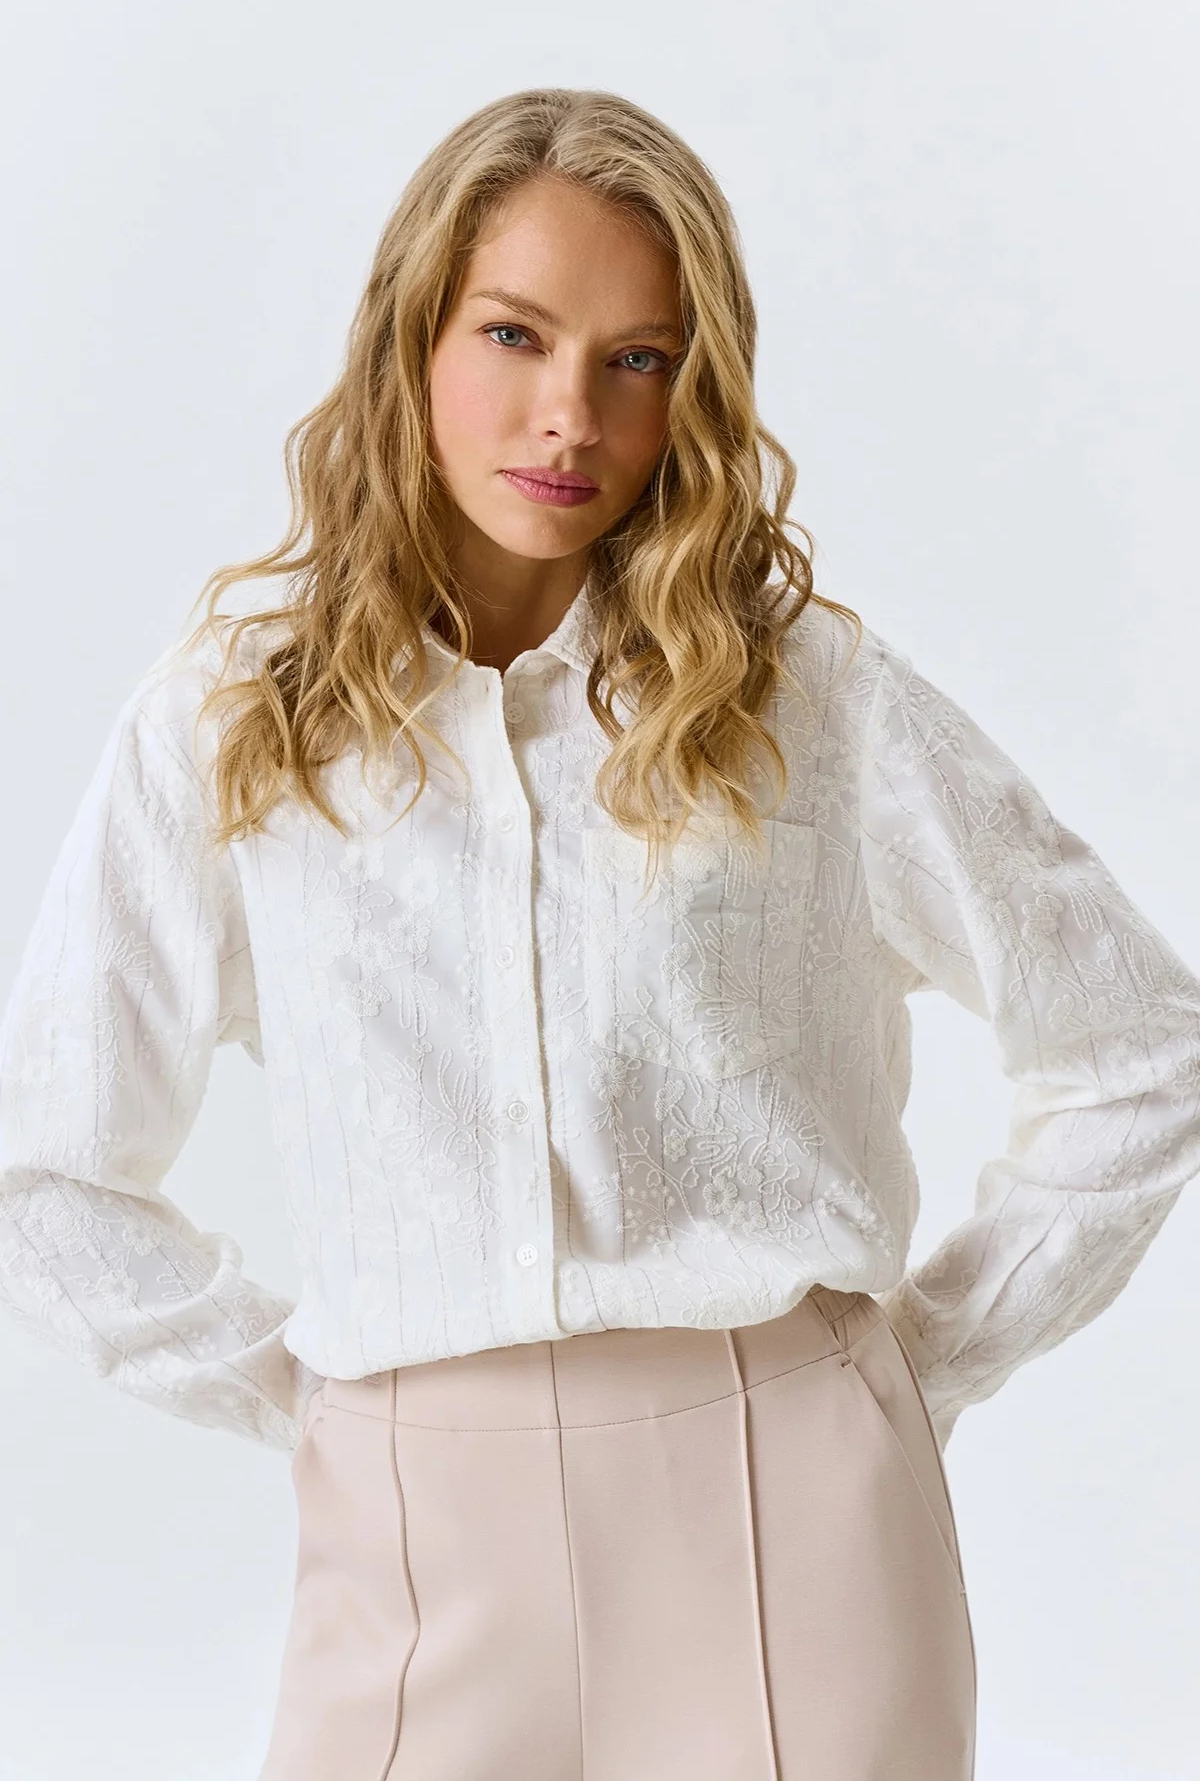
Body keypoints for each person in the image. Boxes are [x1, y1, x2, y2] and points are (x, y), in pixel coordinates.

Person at [1, 86, 1198, 1781]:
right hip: (407, 1539)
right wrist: (304, 1399)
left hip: (797, 1525)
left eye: (638, 359)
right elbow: (46, 1166)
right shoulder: (238, 721)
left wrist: (915, 1367)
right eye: (513, 334)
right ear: (412, 338)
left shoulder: (811, 704)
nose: (569, 415)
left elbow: (1139, 1046)